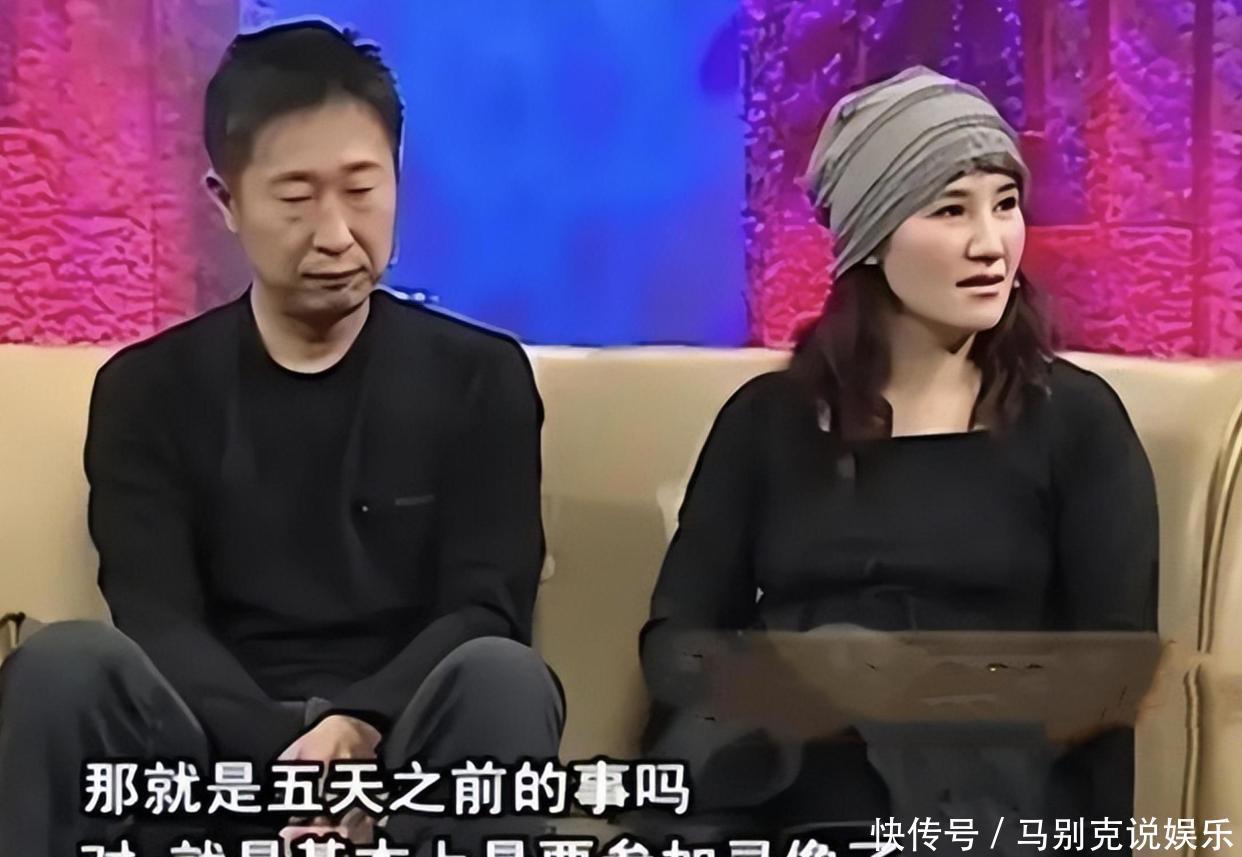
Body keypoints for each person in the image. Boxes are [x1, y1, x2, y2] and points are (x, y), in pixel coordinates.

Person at [0, 20, 562, 853]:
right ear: (225, 201)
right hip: (208, 755)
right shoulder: (147, 390)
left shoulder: (481, 377)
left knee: (504, 676)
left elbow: (487, 605)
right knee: (60, 663)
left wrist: (357, 724)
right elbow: (156, 614)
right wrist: (284, 757)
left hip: (398, 747)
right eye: (297, 198)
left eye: (361, 189)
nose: (335, 233)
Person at [638, 67, 1158, 852]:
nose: (991, 243)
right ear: (872, 239)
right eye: (951, 210)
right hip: (784, 765)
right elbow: (677, 638)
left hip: (985, 790)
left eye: (1005, 204)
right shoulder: (767, 421)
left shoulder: (1076, 422)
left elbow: (1110, 672)